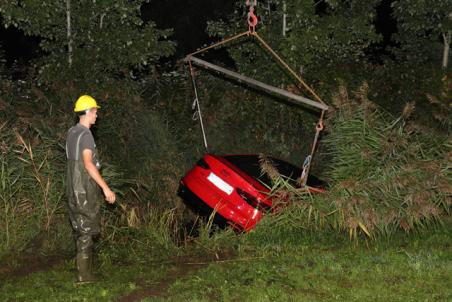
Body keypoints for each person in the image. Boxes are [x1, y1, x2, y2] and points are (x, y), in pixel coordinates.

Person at [66, 95, 116, 283]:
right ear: (87, 112)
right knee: (86, 231)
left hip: (71, 187)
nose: (97, 115)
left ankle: (83, 270)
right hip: (83, 188)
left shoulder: (72, 132)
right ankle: (84, 276)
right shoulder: (86, 135)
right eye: (95, 111)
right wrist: (106, 189)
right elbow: (87, 164)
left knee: (80, 229)